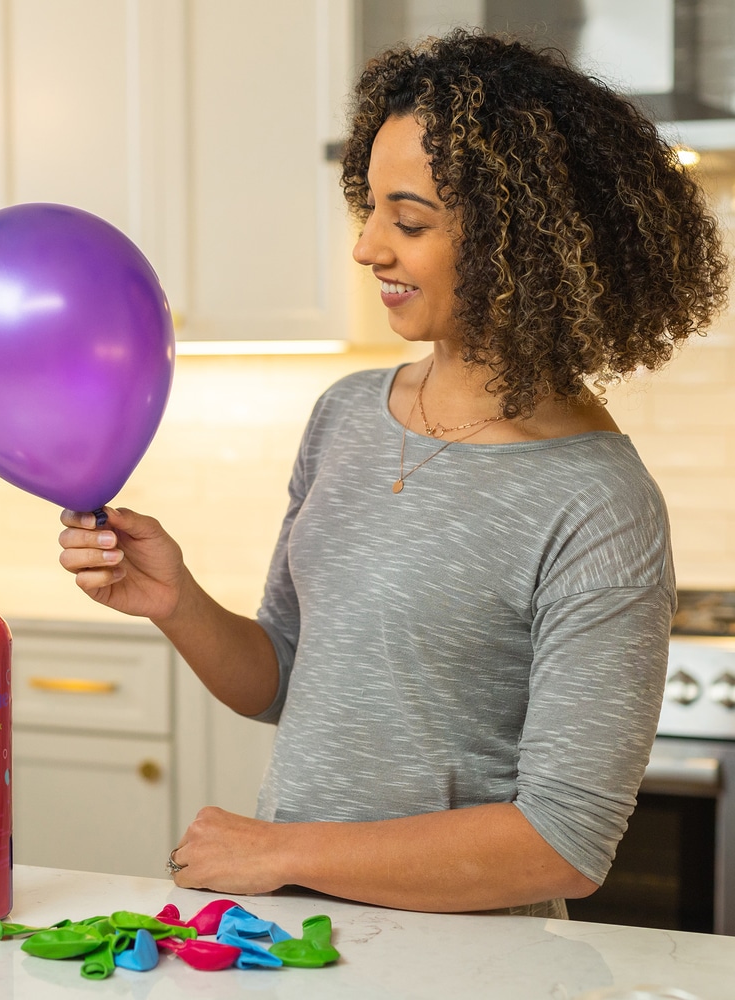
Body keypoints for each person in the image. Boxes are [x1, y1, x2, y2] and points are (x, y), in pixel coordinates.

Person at [58, 29, 729, 918]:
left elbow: (565, 844)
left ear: (516, 244)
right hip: (302, 941)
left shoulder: (598, 501)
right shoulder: (346, 415)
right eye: (368, 208)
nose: (368, 247)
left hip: (470, 966)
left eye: (409, 221)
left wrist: (281, 850)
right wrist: (175, 601)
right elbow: (284, 678)